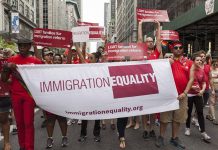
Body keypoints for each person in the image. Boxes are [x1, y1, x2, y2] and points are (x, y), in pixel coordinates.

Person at [1, 38, 42, 150]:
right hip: (15, 96)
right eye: (20, 46)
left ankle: (29, 147)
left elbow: (41, 77)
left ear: (29, 47)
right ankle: (22, 146)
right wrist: (6, 68)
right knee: (19, 123)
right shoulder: (12, 59)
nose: (22, 48)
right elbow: (4, 79)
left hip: (29, 95)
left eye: (24, 46)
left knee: (28, 123)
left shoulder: (35, 61)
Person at [155, 41, 194, 149]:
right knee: (164, 118)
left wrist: (185, 93)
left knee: (178, 118)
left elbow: (191, 79)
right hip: (168, 96)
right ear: (172, 50)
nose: (178, 49)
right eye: (175, 47)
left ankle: (174, 138)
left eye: (180, 47)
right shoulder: (166, 61)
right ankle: (161, 137)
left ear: (182, 49)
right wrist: (166, 63)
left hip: (182, 95)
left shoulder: (189, 62)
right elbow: (158, 72)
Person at [138, 19, 162, 139]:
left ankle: (152, 129)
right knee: (144, 109)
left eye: (151, 41)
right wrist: (140, 25)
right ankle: (145, 130)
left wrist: (158, 26)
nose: (150, 43)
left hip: (154, 85)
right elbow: (139, 40)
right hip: (143, 85)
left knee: (153, 109)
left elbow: (159, 41)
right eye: (147, 41)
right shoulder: (140, 52)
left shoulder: (156, 53)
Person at [185, 53, 211, 143]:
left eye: (200, 60)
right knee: (189, 112)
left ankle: (203, 132)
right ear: (193, 61)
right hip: (189, 94)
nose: (199, 61)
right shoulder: (189, 70)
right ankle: (187, 128)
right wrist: (191, 87)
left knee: (200, 112)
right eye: (197, 60)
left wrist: (202, 90)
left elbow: (204, 82)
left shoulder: (201, 70)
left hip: (198, 94)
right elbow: (184, 82)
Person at [78, 50, 102, 142]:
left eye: (91, 58)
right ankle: (83, 134)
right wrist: (75, 45)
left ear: (96, 59)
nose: (89, 59)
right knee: (85, 116)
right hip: (87, 96)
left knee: (97, 117)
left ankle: (97, 134)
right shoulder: (86, 66)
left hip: (97, 96)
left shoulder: (101, 68)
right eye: (88, 58)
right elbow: (81, 57)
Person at [45, 54, 68, 148]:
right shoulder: (47, 70)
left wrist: (70, 47)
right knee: (50, 121)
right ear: (52, 61)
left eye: (59, 60)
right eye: (55, 60)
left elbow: (69, 60)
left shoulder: (64, 70)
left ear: (62, 61)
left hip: (61, 100)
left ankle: (64, 137)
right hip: (50, 99)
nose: (57, 61)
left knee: (62, 120)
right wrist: (35, 47)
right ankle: (50, 138)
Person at [0, 49, 12, 150]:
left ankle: (6, 143)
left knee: (4, 119)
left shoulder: (5, 62)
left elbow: (9, 79)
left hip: (3, 95)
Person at [206, 59, 218, 124]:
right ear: (212, 63)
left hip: (217, 87)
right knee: (212, 103)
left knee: (213, 103)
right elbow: (209, 79)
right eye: (215, 64)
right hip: (211, 87)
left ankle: (208, 115)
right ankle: (214, 118)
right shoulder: (209, 70)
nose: (216, 65)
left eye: (217, 64)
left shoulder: (217, 69)